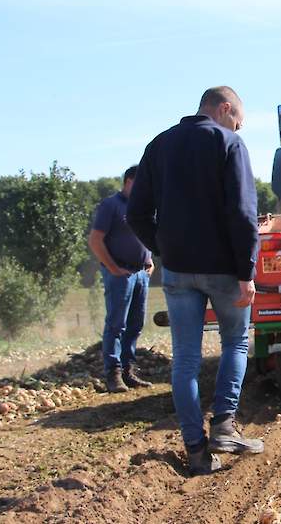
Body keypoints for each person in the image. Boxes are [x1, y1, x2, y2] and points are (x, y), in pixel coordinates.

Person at [127, 86, 263, 476]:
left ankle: (196, 452)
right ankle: (224, 426)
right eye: (238, 120)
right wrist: (246, 272)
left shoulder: (159, 145)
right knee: (235, 340)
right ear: (225, 109)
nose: (238, 127)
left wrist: (165, 249)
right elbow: (242, 213)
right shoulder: (229, 144)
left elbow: (136, 214)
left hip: (179, 271)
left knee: (184, 360)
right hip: (224, 269)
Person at [88, 165, 154, 394]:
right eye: (140, 183)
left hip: (140, 274)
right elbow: (95, 240)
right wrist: (113, 268)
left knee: (135, 324)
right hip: (120, 274)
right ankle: (113, 373)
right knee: (117, 323)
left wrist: (150, 259)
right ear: (128, 182)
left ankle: (128, 370)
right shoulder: (111, 206)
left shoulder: (144, 207)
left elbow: (146, 234)